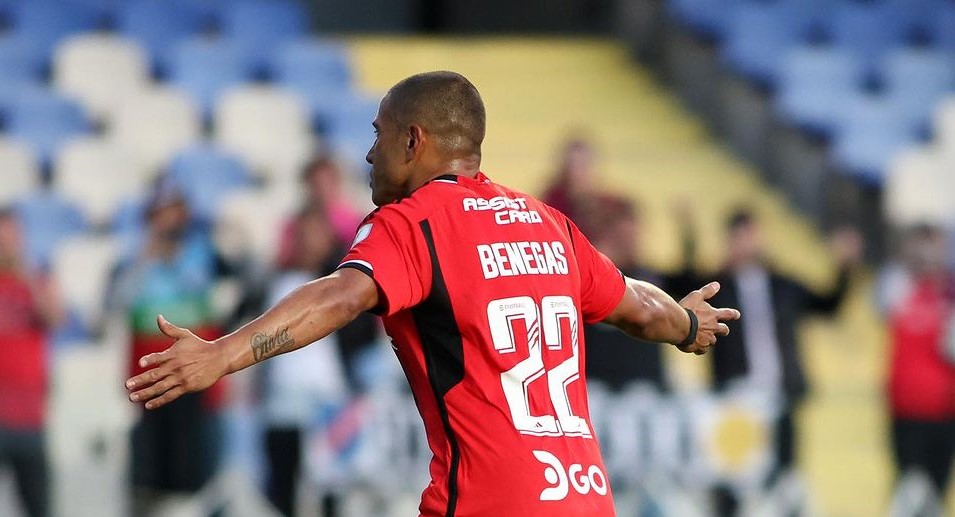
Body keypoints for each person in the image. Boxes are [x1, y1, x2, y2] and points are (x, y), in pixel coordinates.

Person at [123, 71, 740, 517]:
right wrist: (686, 325)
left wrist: (219, 354)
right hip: (585, 500)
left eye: (379, 134)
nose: (369, 152)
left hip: (486, 503)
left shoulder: (414, 224)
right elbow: (639, 305)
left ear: (414, 141)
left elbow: (339, 297)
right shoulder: (549, 225)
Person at [675, 207, 861, 514]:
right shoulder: (718, 286)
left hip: (782, 397)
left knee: (784, 479)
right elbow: (683, 289)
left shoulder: (782, 284)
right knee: (735, 479)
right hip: (735, 399)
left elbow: (828, 305)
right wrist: (689, 239)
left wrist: (845, 269)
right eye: (740, 237)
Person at [105, 177, 230, 515]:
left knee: (192, 468)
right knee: (151, 474)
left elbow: (218, 299)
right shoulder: (133, 259)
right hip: (150, 377)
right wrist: (148, 258)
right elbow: (117, 303)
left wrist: (175, 260)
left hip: (193, 376)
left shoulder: (203, 253)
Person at [259, 203, 379, 517]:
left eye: (317, 234)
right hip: (282, 401)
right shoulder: (276, 282)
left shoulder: (343, 284)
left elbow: (364, 334)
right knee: (283, 483)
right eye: (304, 234)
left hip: (329, 399)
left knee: (330, 486)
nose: (309, 242)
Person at [877, 224, 955, 505]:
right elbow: (882, 298)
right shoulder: (899, 285)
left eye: (935, 247)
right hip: (906, 410)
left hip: (945, 411)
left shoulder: (949, 294)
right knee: (908, 495)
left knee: (936, 496)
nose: (929, 255)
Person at [0, 207, 62, 517]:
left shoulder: (37, 279)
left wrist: (26, 277)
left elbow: (54, 317)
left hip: (28, 417)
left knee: (38, 507)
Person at [582, 195, 670, 393]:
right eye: (622, 238)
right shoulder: (592, 277)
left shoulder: (649, 276)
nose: (631, 243)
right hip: (597, 385)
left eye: (634, 235)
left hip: (645, 385)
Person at [276, 155, 364, 270]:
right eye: (316, 184)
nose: (321, 190)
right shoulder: (295, 222)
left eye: (326, 183)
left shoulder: (352, 221)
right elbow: (283, 260)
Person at [541, 136, 598, 225]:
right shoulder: (553, 200)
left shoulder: (604, 203)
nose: (577, 171)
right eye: (573, 165)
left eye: (582, 164)